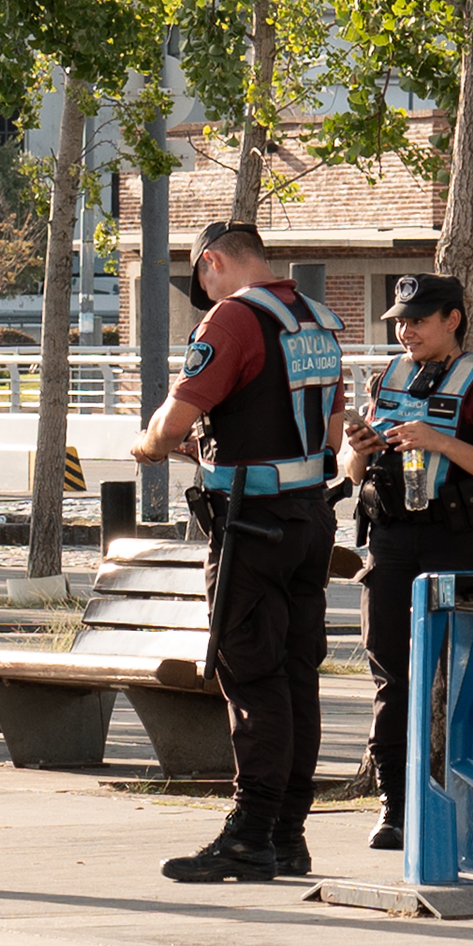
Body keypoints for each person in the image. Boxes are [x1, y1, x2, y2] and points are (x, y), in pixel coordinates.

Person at [129, 221, 345, 883]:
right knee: (297, 675)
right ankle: (288, 833)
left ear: (213, 262)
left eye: (202, 279)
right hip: (310, 515)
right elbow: (327, 430)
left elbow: (174, 419)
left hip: (252, 524)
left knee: (251, 674)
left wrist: (150, 443)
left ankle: (250, 834)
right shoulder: (315, 320)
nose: (205, 292)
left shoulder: (231, 320)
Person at [337, 274, 473, 851]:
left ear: (453, 320)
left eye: (418, 319)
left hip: (459, 544)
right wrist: (358, 450)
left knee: (466, 680)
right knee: (391, 675)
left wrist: (440, 442)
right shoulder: (389, 376)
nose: (406, 330)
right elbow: (349, 472)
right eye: (400, 320)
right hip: (392, 541)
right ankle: (395, 805)